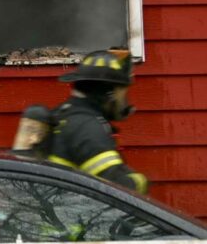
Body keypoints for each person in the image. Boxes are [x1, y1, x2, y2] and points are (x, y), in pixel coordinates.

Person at [47, 49, 148, 194]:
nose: (125, 101)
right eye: (124, 92)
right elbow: (119, 189)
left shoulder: (64, 115)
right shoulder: (87, 127)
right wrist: (141, 181)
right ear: (110, 93)